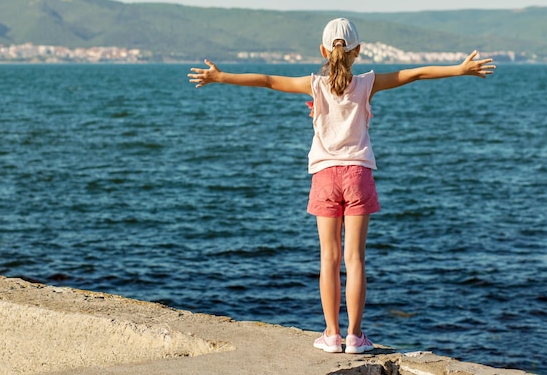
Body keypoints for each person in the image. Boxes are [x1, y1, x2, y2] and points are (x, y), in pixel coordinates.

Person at [187, 18, 496, 354]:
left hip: (325, 176)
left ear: (323, 50)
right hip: (358, 175)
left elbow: (267, 80)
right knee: (356, 259)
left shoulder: (314, 85)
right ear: (358, 51)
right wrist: (460, 69)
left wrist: (219, 77)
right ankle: (355, 336)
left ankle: (331, 335)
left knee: (329, 258)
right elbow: (416, 74)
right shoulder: (367, 83)